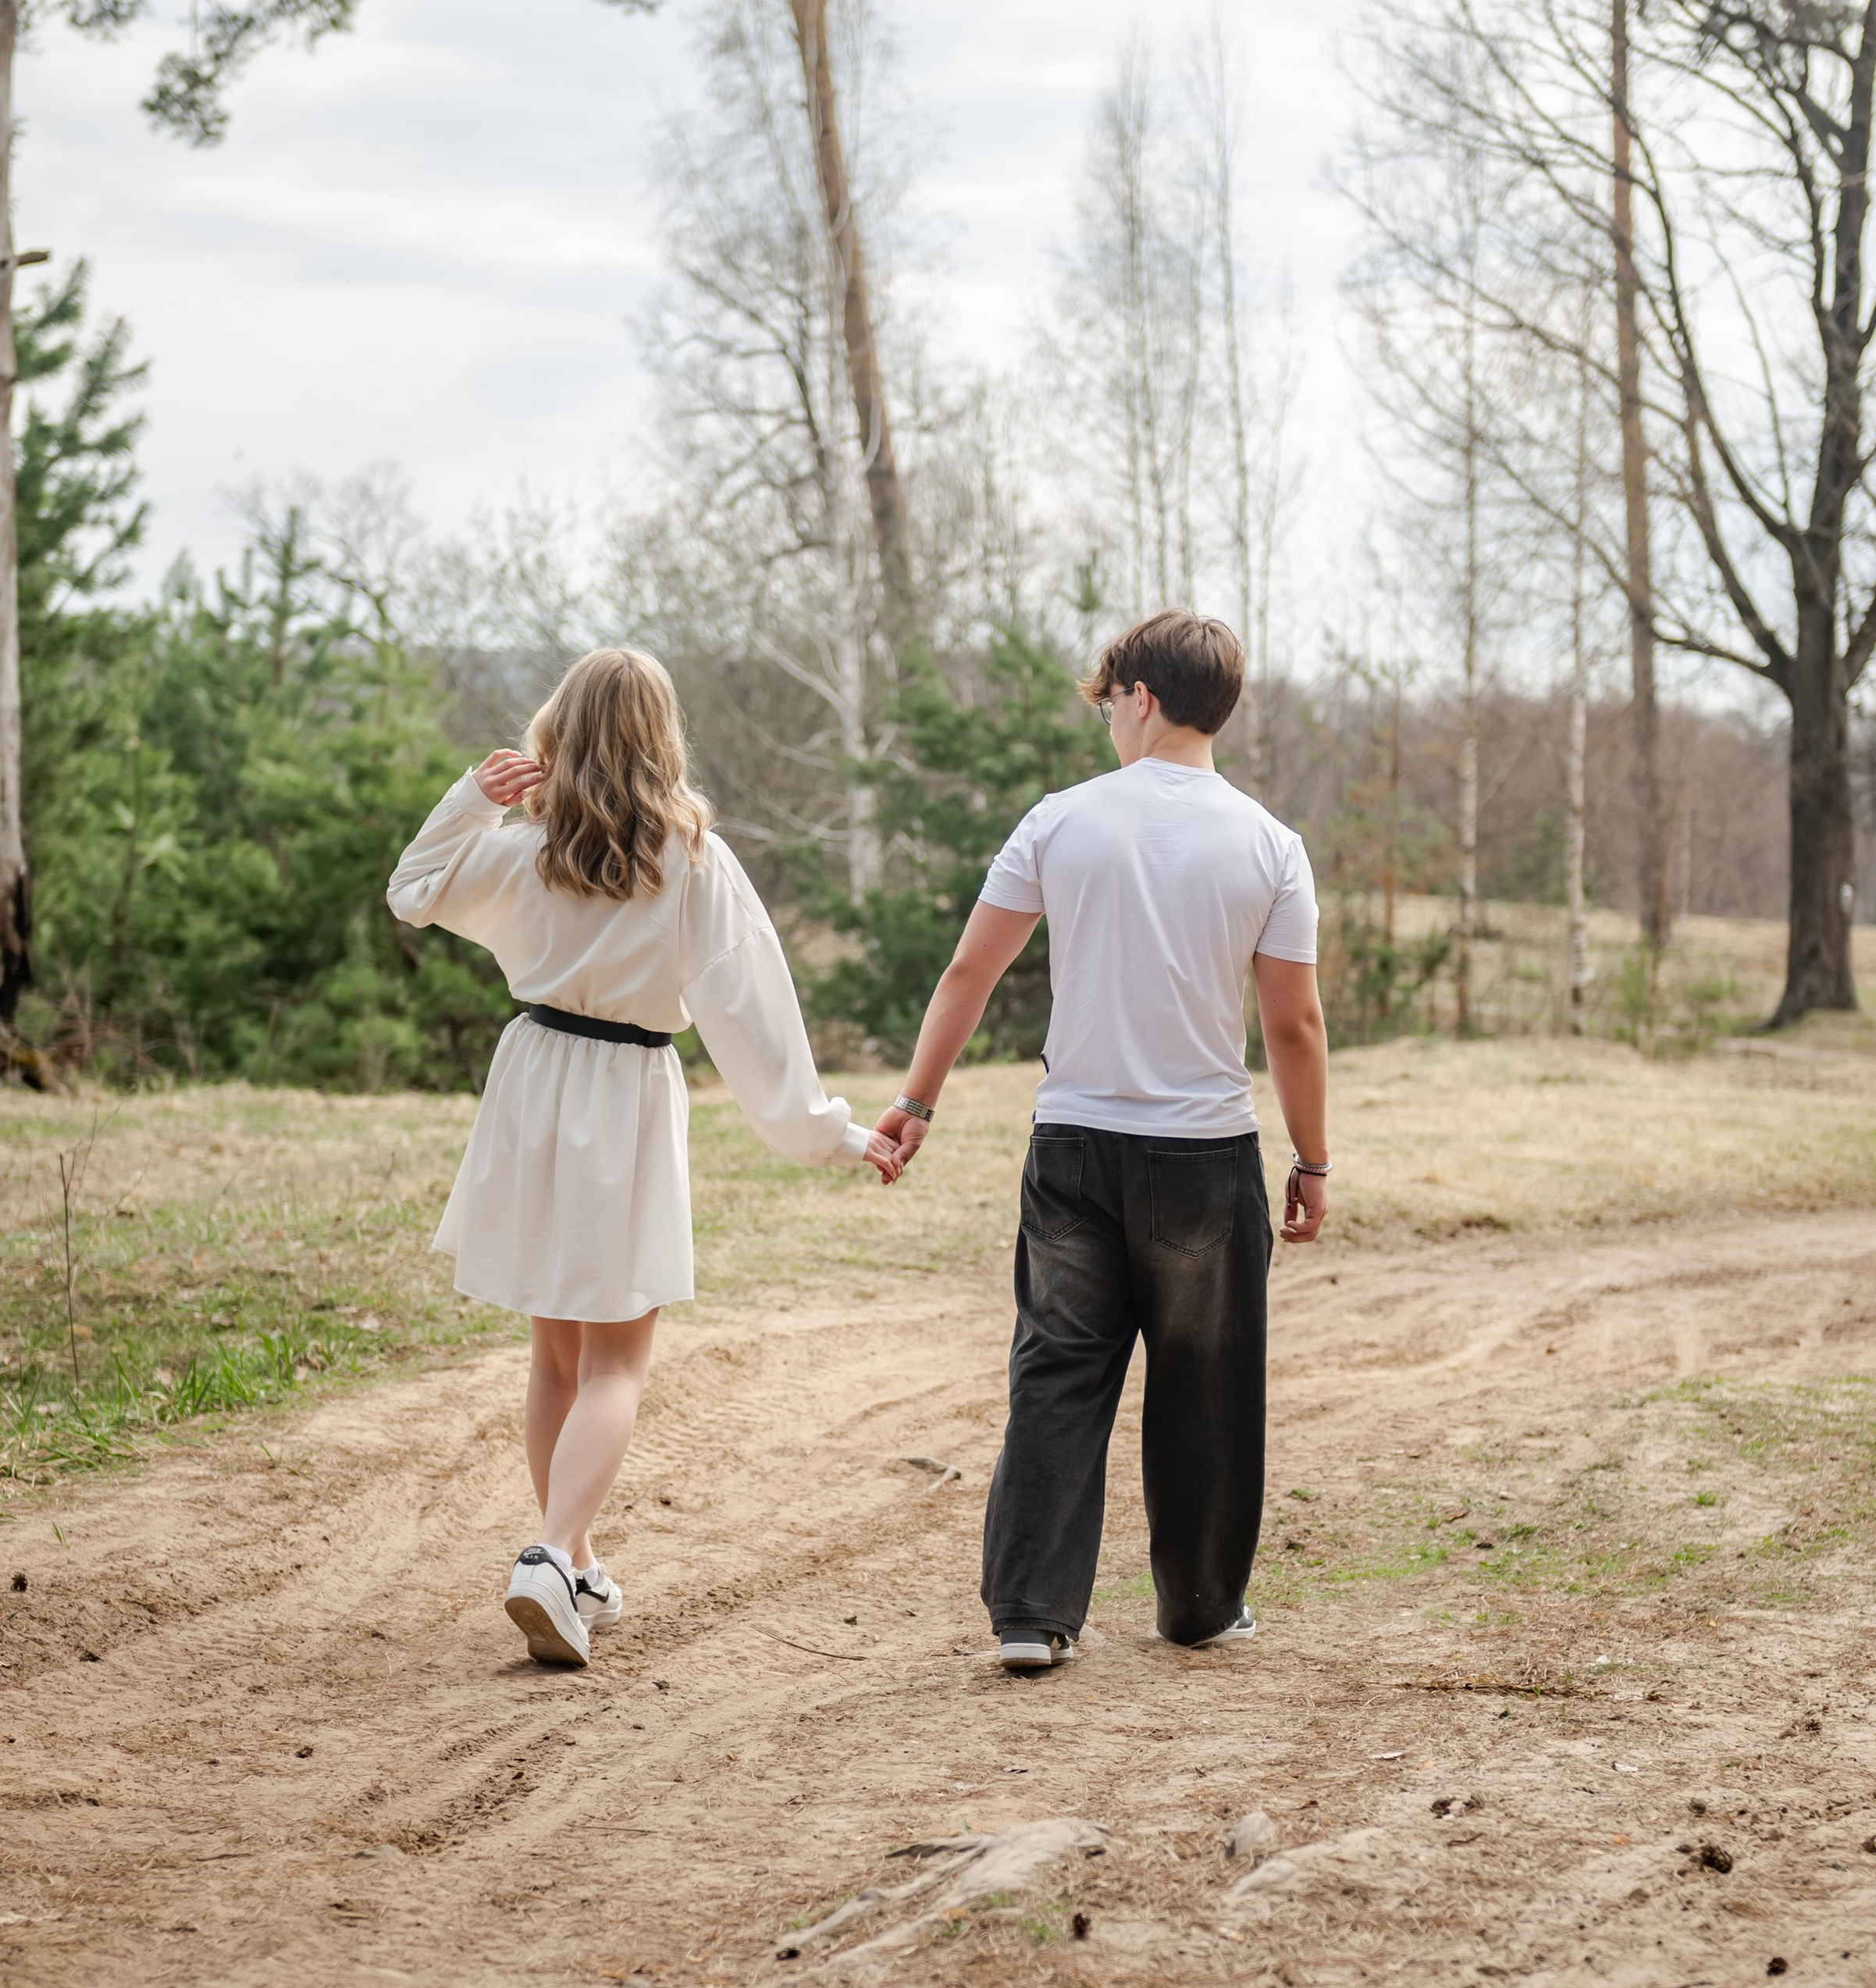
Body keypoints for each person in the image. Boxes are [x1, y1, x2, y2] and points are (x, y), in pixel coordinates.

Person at [386, 647, 895, 1669]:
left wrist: (468, 799)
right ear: (663, 737)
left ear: (559, 729)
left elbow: (412, 890)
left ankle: (573, 1564)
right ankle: (550, 1555)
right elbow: (754, 1017)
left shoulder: (523, 847)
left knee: (555, 1357)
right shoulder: (693, 859)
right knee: (616, 1361)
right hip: (624, 1094)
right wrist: (827, 1132)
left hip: (533, 1082)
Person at [872, 609, 1329, 1674]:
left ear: (1144, 698)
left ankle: (1031, 1614)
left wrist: (917, 1101)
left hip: (1074, 1146)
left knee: (1058, 1369)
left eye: (1111, 703)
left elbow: (970, 972)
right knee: (1207, 1383)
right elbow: (1294, 1025)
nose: (1110, 723)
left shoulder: (1059, 821)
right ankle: (1202, 1608)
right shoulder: (1270, 845)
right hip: (1205, 1156)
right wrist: (1310, 1159)